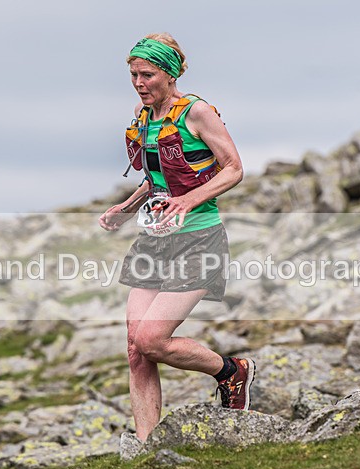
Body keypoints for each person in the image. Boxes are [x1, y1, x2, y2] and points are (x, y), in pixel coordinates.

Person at [98, 33, 256, 443]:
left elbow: (234, 168)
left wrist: (189, 201)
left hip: (199, 240)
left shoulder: (198, 113)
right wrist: (126, 208)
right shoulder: (144, 114)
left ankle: (231, 372)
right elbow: (158, 179)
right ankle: (148, 449)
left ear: (169, 74)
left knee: (153, 339)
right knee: (135, 348)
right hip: (154, 241)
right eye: (133, 75)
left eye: (147, 74)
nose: (138, 83)